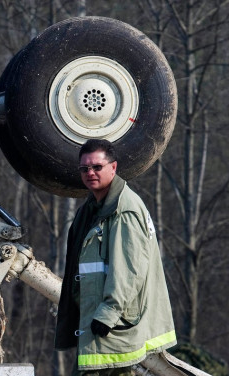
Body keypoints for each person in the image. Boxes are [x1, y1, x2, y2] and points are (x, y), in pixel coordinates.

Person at [55, 139, 177, 375]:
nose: (90, 173)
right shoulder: (92, 209)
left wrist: (108, 314)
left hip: (112, 326)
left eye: (97, 167)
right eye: (84, 168)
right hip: (98, 323)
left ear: (114, 167)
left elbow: (130, 270)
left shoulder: (124, 210)